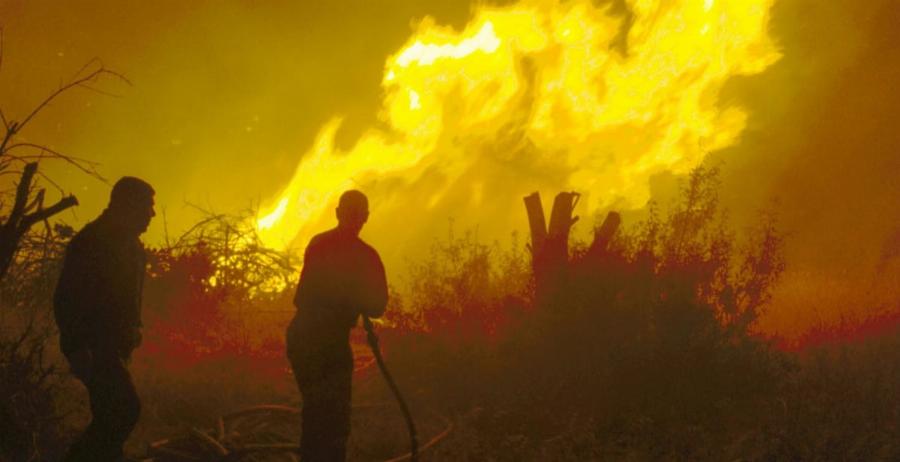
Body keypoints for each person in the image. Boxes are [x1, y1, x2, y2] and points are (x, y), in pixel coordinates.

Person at [54, 177, 155, 462]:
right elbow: (66, 299)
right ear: (128, 205)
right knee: (125, 409)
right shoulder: (92, 242)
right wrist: (77, 347)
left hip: (114, 347)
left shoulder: (132, 248)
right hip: (94, 347)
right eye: (147, 206)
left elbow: (127, 297)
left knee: (111, 414)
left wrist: (136, 327)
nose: (152, 214)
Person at [286, 190, 388, 461]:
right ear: (365, 218)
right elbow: (378, 305)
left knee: (317, 412)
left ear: (337, 212)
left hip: (302, 337)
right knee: (333, 420)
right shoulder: (366, 256)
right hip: (327, 345)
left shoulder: (319, 244)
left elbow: (304, 297)